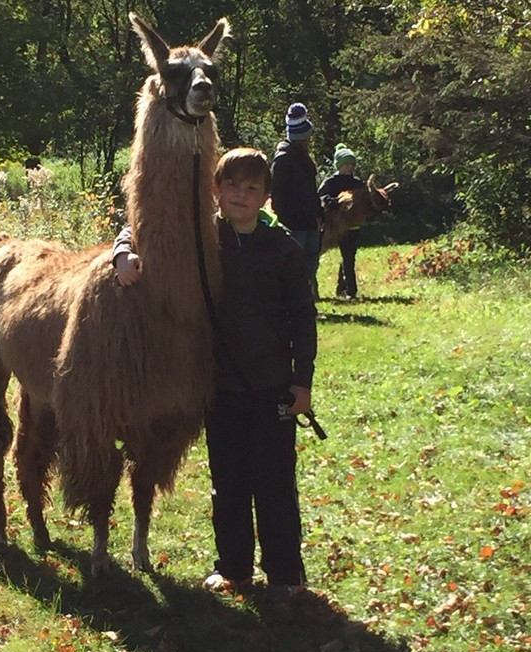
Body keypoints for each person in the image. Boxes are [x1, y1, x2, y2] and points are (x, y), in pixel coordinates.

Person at [113, 148, 317, 600]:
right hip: (220, 389)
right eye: (231, 186)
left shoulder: (282, 249)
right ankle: (235, 570)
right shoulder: (203, 239)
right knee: (228, 484)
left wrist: (301, 382)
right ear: (216, 191)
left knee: (275, 484)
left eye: (251, 188)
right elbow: (142, 228)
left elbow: (303, 318)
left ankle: (286, 577)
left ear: (266, 197)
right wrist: (122, 252)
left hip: (272, 389)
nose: (240, 195)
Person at [270, 103, 324, 299]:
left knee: (310, 266)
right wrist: (288, 222)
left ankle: (305, 301)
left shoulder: (304, 160)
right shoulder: (283, 160)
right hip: (294, 226)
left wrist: (319, 212)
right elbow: (277, 196)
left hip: (309, 223)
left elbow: (311, 191)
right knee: (295, 269)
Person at [318, 143, 365, 299]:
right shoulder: (331, 182)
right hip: (331, 227)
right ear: (338, 165)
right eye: (346, 164)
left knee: (349, 258)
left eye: (352, 164)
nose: (350, 167)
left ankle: (350, 290)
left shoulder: (358, 183)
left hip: (351, 227)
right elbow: (320, 195)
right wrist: (329, 200)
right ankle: (335, 287)